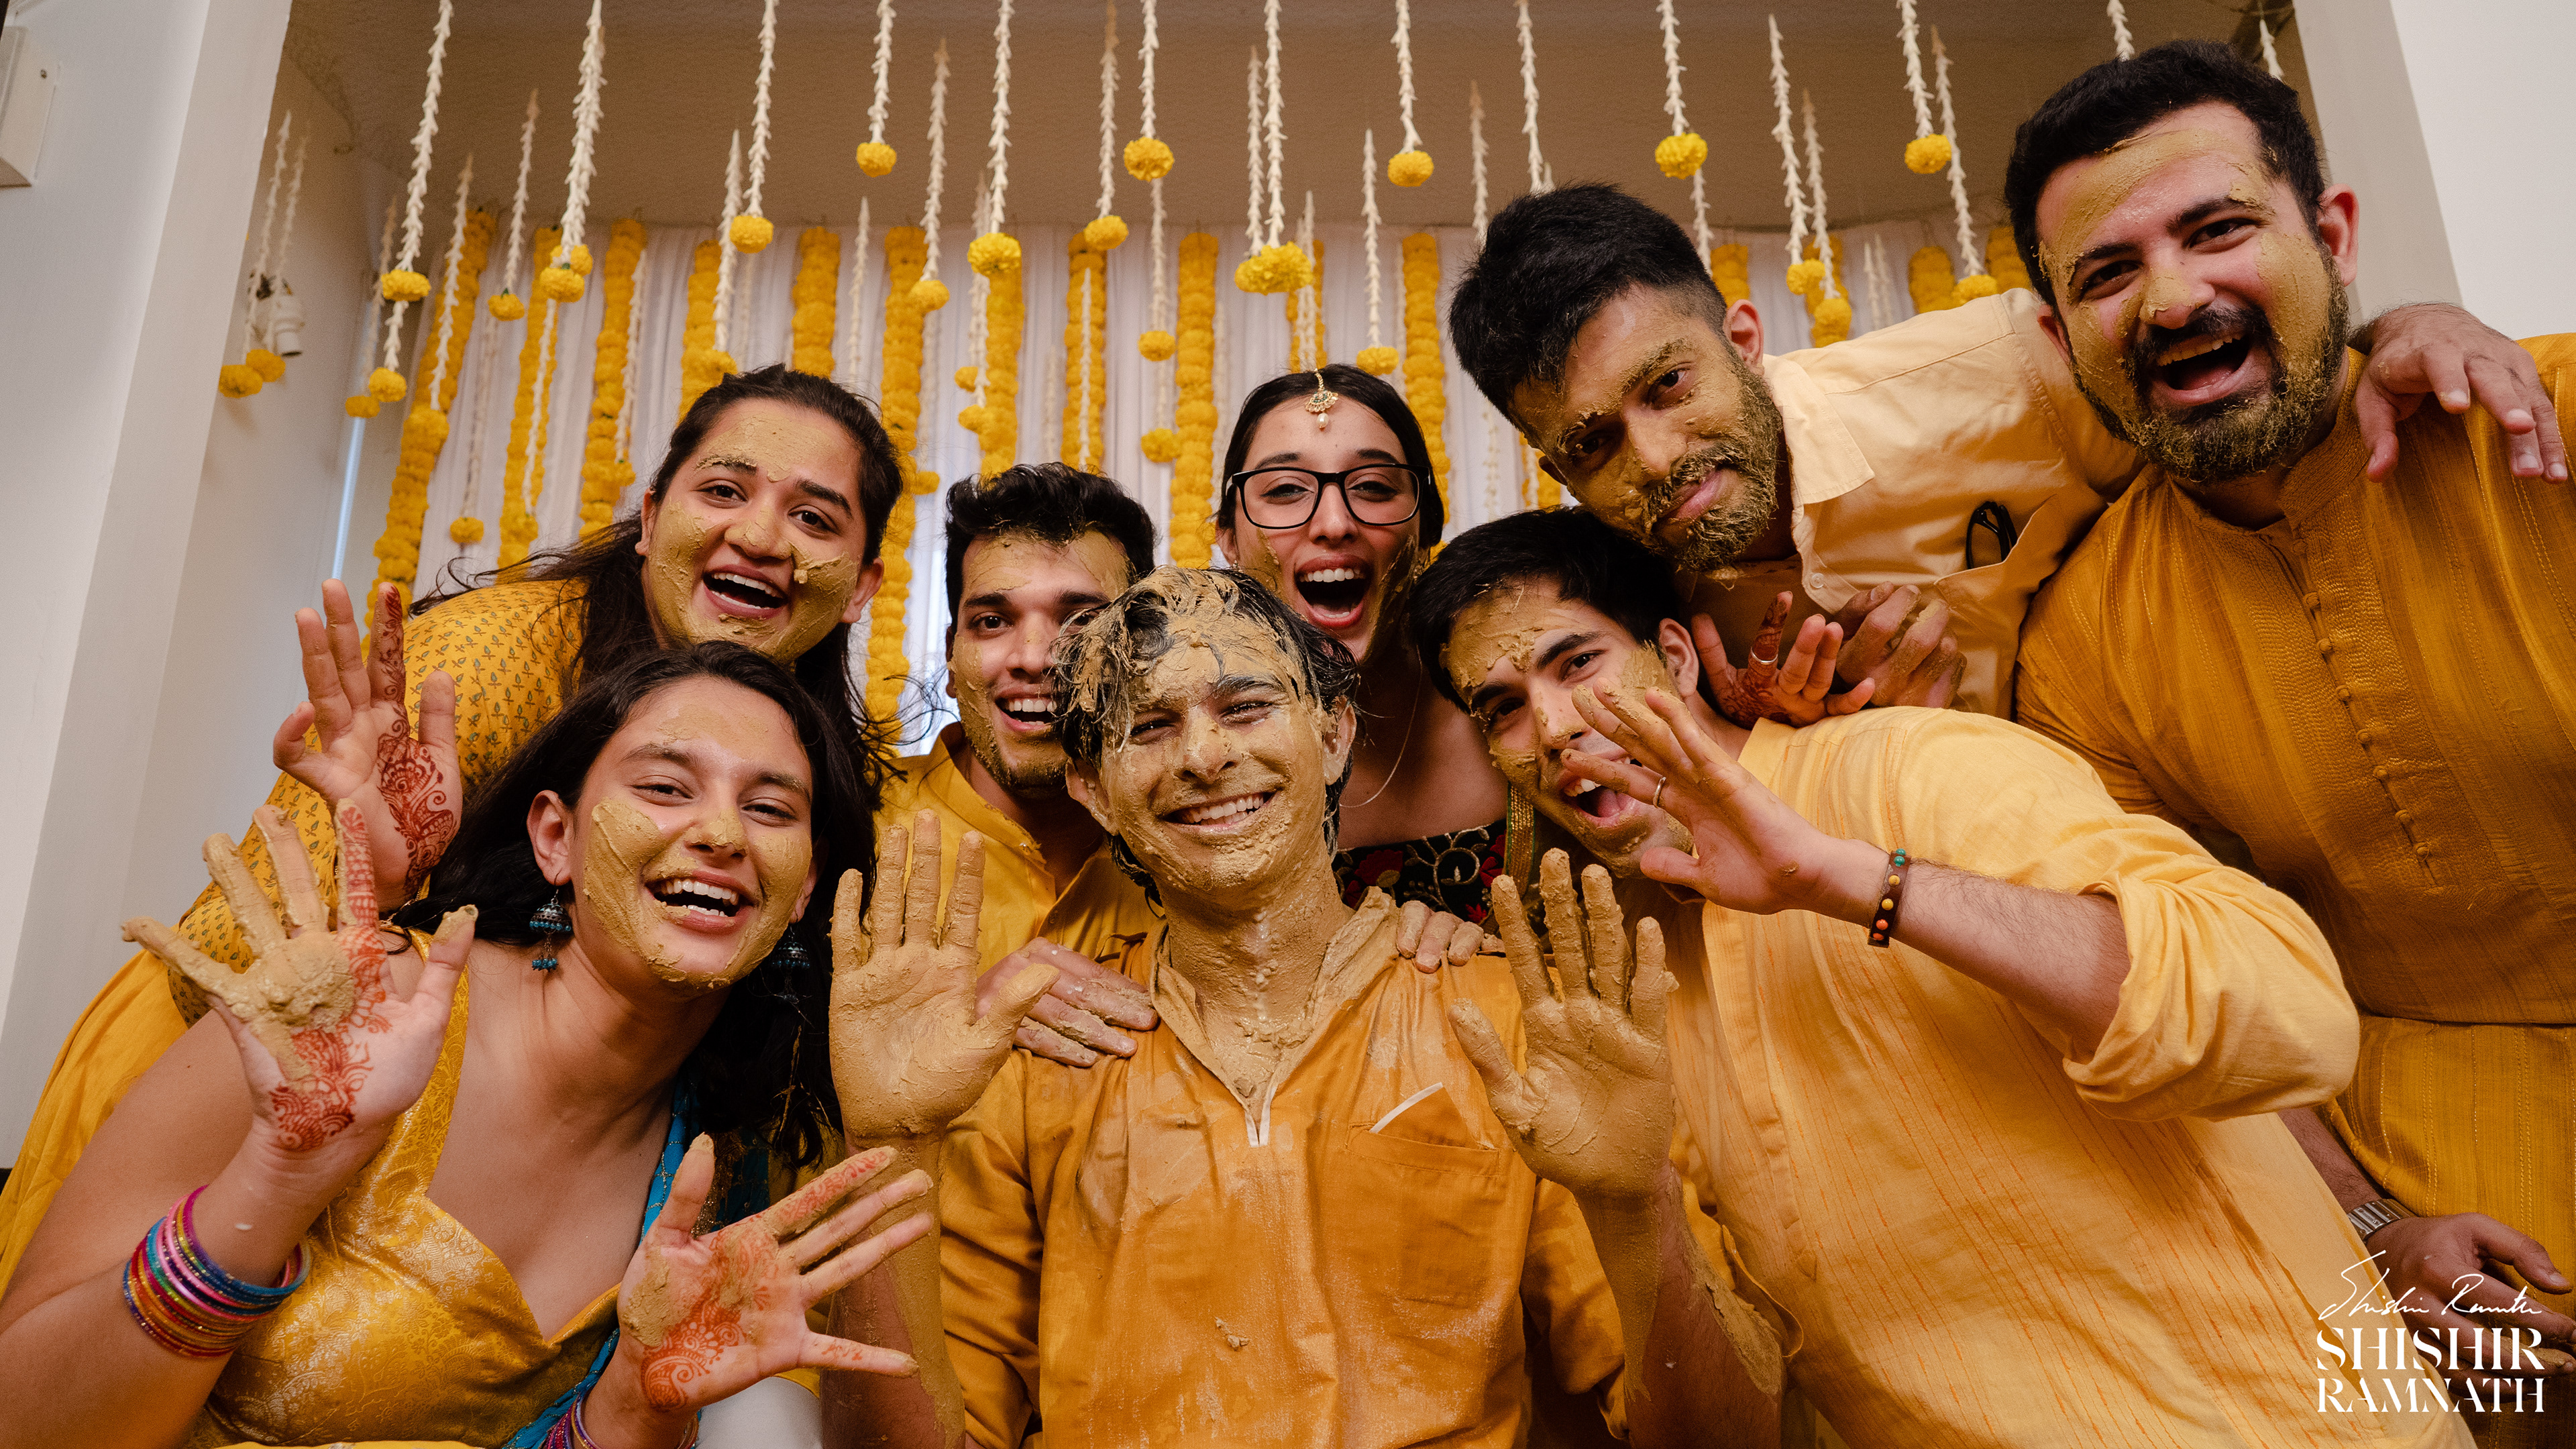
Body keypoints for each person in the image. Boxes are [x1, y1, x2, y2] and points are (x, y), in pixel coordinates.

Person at [1410, 506, 2471, 1449]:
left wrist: (1846, 878)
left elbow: (2286, 1017)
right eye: (1502, 707)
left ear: (1678, 656)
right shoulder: (1617, 985)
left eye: (1577, 664)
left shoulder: (1912, 768)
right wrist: (1629, 1199)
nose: (1555, 731)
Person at [820, 568, 1787, 1448]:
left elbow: (1726, 1441)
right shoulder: (1038, 1060)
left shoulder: (1510, 1028)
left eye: (1244, 707)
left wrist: (1634, 1204)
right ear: (1093, 790)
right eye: (1149, 728)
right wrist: (888, 1145)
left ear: (1333, 736)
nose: (1205, 756)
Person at [2004, 41, 2576, 1434]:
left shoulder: (2540, 409)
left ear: (2334, 238)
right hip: (2432, 1182)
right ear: (2060, 341)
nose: (2173, 297)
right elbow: (2184, 993)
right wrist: (2377, 1234)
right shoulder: (2082, 640)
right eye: (2108, 272)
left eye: (2218, 230)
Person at [0, 643, 929, 1448]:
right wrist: (275, 1178)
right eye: (664, 787)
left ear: (804, 889)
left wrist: (632, 1406)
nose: (721, 833)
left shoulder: (728, 1168)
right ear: (555, 837)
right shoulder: (353, 1016)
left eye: (769, 809)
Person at [1445, 184, 2564, 724]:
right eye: (1592, 443)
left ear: (1744, 337)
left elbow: (2250, 387)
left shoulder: (1999, 368)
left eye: (1668, 387)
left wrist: (2408, 322)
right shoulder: (1628, 609)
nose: (1651, 459)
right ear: (1556, 469)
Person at [1216, 365, 1517, 927]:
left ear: (1427, 526)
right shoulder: (1202, 752)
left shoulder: (1519, 702)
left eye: (1374, 487)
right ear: (1229, 539)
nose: (1334, 523)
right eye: (1285, 490)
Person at [892, 462, 1164, 1067]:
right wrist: (953, 1030)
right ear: (952, 654)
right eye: (992, 621)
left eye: (1081, 621)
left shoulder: (1201, 839)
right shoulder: (851, 824)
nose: (1036, 658)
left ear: (1141, 652)